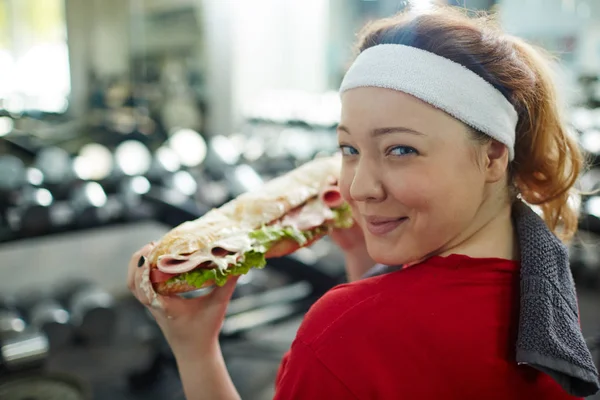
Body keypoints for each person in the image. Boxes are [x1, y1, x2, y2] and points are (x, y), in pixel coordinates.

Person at [127, 5, 595, 400]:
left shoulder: (342, 332)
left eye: (400, 150)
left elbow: (376, 351)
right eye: (349, 149)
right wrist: (362, 263)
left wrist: (194, 351)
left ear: (493, 154)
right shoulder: (544, 290)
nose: (358, 188)